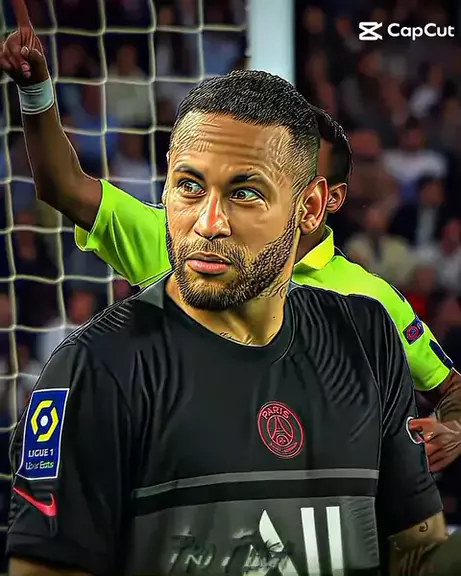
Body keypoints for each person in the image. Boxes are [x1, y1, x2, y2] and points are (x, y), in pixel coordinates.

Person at [3, 18, 461, 572]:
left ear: (316, 203)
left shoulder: (369, 316)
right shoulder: (121, 328)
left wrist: (454, 430)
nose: (208, 223)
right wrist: (37, 92)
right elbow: (63, 186)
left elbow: (420, 530)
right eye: (189, 186)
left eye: (246, 192)